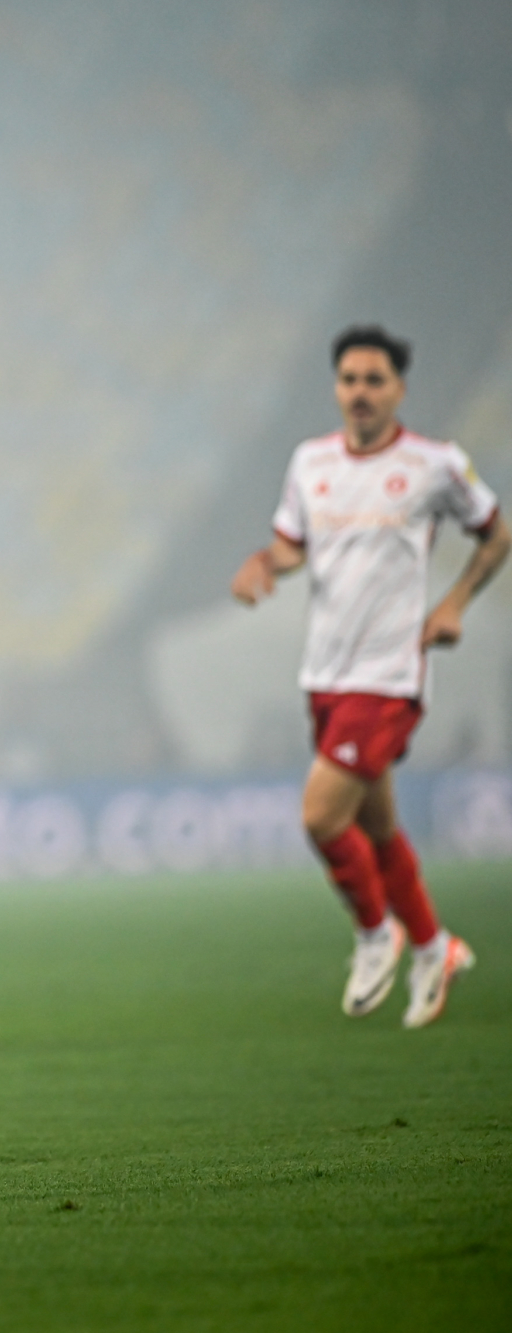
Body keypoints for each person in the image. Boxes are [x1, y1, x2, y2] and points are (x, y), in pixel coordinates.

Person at [232, 325, 505, 1028]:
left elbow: (498, 532)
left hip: (387, 675)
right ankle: (432, 944)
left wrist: (452, 603)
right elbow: (294, 544)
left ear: (399, 389)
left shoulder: (434, 464)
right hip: (325, 670)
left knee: (322, 816)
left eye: (374, 379)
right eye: (349, 379)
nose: (360, 392)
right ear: (336, 386)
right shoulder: (310, 462)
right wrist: (268, 563)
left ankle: (373, 931)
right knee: (378, 827)